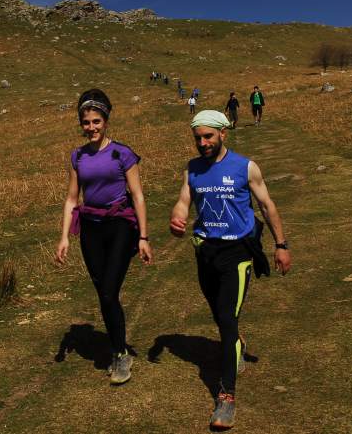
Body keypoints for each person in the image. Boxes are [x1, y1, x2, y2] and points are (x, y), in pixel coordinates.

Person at [169, 110, 291, 430]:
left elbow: (266, 205)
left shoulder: (245, 167)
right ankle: (236, 343)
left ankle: (226, 398)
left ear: (223, 133)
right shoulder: (192, 169)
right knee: (220, 314)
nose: (203, 143)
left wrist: (281, 245)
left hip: (237, 254)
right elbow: (184, 200)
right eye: (198, 138)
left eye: (208, 136)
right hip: (205, 252)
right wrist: (177, 217)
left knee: (226, 319)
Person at [56, 89, 153, 385]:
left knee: (109, 292)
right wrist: (64, 237)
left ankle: (121, 354)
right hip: (91, 228)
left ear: (106, 121)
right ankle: (118, 347)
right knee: (104, 293)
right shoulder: (77, 156)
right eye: (86, 122)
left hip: (120, 225)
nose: (91, 127)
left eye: (96, 121)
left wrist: (143, 237)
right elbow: (72, 199)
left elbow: (138, 195)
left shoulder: (122, 153)